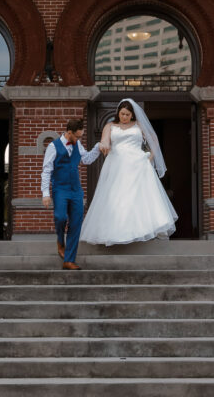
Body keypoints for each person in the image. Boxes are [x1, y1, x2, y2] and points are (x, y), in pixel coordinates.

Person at [80, 97, 178, 246]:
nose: (124, 117)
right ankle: (116, 232)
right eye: (122, 114)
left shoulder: (139, 125)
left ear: (132, 114)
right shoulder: (110, 126)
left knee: (140, 197)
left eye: (127, 114)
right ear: (118, 113)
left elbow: (154, 139)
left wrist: (150, 157)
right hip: (116, 164)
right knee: (117, 197)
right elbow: (105, 140)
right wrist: (104, 144)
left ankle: (142, 230)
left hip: (138, 164)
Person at [41, 117, 101, 270]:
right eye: (77, 136)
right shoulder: (53, 147)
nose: (79, 139)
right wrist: (45, 193)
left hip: (76, 190)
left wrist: (97, 147)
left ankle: (69, 260)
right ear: (69, 133)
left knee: (75, 223)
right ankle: (60, 241)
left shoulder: (77, 144)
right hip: (60, 189)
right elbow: (47, 170)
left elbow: (86, 160)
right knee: (60, 217)